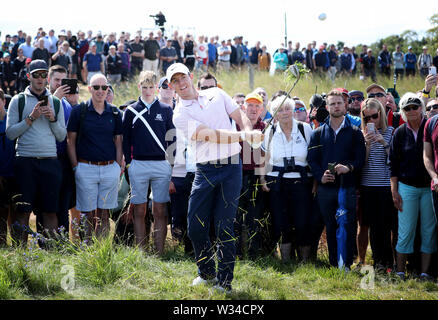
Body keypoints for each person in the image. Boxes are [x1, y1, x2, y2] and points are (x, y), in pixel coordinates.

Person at [169, 63, 263, 292]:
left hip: (231, 166)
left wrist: (249, 128)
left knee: (224, 226)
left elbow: (239, 113)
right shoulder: (179, 114)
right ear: (171, 86)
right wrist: (244, 135)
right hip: (205, 169)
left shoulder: (216, 93)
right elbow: (210, 135)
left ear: (191, 77)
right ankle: (207, 272)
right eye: (175, 81)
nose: (181, 83)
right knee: (195, 226)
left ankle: (224, 282)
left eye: (183, 77)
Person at [6, 60, 66, 245]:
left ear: (47, 77)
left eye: (43, 75)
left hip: (50, 161)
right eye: (36, 75)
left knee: (50, 211)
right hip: (25, 161)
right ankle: (20, 256)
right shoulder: (18, 100)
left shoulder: (55, 102)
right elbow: (10, 133)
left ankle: (51, 255)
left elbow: (62, 136)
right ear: (28, 76)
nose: (40, 79)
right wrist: (31, 118)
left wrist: (53, 118)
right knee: (23, 211)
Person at [307, 89, 366, 270]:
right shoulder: (318, 133)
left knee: (347, 226)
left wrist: (348, 167)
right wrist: (320, 176)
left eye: (339, 103)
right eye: (332, 103)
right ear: (327, 107)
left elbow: (361, 158)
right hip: (326, 188)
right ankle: (334, 264)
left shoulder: (355, 132)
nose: (336, 106)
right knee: (331, 226)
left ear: (345, 105)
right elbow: (312, 159)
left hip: (346, 187)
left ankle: (346, 264)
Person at [122, 71, 174, 254]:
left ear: (156, 89)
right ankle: (141, 252)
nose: (148, 91)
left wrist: (172, 166)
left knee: (160, 210)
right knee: (139, 210)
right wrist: (129, 164)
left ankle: (159, 252)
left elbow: (172, 139)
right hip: (138, 165)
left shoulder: (166, 110)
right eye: (144, 87)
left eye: (151, 87)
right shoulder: (131, 111)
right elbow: (125, 140)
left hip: (161, 165)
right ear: (139, 87)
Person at [67, 74, 123, 241]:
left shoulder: (114, 112)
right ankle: (88, 251)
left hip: (109, 168)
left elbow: (119, 141)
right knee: (88, 214)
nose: (100, 91)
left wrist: (118, 166)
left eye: (104, 87)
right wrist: (75, 167)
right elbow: (70, 141)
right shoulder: (79, 111)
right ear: (90, 89)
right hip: (85, 168)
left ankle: (102, 251)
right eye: (96, 87)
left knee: (104, 214)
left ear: (108, 89)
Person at [390, 93, 437, 281]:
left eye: (415, 106)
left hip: (429, 188)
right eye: (407, 108)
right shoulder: (399, 132)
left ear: (422, 108)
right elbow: (392, 164)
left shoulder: (431, 127)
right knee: (405, 231)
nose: (411, 110)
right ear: (402, 111)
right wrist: (394, 191)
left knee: (428, 231)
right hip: (406, 187)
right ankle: (400, 272)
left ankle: (425, 273)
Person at [261, 97, 313, 262]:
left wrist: (316, 182)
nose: (284, 113)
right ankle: (285, 261)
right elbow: (263, 157)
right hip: (277, 183)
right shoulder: (269, 131)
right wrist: (262, 179)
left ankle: (304, 261)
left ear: (293, 110)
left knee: (302, 221)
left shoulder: (305, 129)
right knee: (281, 221)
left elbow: (314, 157)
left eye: (287, 109)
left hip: (302, 182)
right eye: (280, 110)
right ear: (275, 114)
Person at [359, 98, 397, 272]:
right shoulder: (361, 134)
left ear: (380, 113)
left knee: (387, 225)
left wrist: (383, 142)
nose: (371, 121)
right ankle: (379, 262)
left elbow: (394, 159)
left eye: (374, 116)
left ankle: (390, 262)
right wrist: (367, 144)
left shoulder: (391, 132)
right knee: (373, 226)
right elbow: (362, 163)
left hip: (386, 186)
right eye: (366, 118)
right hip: (368, 185)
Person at [234, 93, 266, 259]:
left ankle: (254, 253)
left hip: (256, 175)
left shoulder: (265, 127)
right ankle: (237, 252)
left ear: (262, 109)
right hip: (237, 175)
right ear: (244, 108)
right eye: (250, 106)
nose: (253, 109)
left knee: (255, 216)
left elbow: (265, 156)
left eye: (257, 106)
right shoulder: (236, 127)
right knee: (236, 216)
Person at [0, 88, 17, 246]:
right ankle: (2, 244)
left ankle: (18, 247)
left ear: (4, 101)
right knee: (1, 212)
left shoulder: (11, 120)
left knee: (16, 211)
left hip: (14, 172)